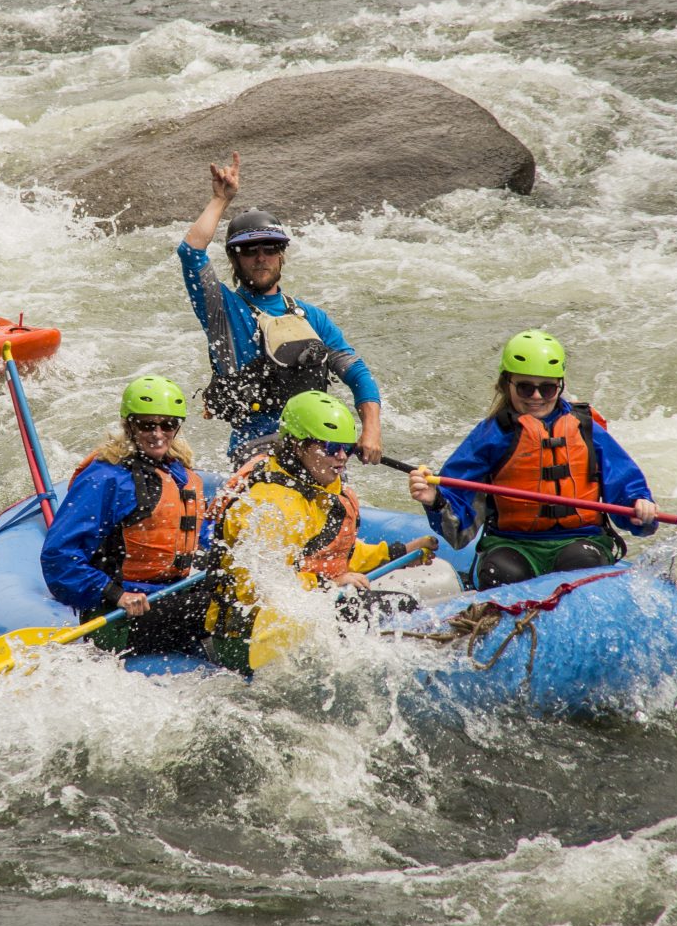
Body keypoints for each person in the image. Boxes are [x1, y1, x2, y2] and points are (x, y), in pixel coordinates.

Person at [408, 329, 659, 591]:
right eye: (526, 388)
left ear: (559, 387)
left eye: (547, 388)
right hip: (512, 544)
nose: (537, 397)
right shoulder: (491, 435)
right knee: (499, 572)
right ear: (507, 384)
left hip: (581, 540)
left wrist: (640, 507)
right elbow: (458, 520)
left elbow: (626, 489)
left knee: (581, 564)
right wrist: (435, 500)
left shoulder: (586, 429)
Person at [179, 151, 383, 465]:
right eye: (249, 250)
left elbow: (357, 374)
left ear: (281, 254)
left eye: (269, 248)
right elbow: (190, 253)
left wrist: (371, 430)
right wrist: (220, 199)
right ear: (235, 259)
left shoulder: (311, 317)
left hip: (317, 449)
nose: (260, 257)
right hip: (257, 448)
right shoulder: (222, 311)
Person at [204, 391, 433, 670]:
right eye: (330, 446)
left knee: (392, 604)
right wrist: (329, 585)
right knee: (399, 606)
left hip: (299, 612)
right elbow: (260, 587)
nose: (341, 457)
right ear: (298, 445)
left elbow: (334, 552)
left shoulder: (317, 487)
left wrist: (398, 552)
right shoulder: (269, 506)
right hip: (246, 639)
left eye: (346, 448)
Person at [38, 375, 215, 658]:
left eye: (167, 425)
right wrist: (115, 594)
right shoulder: (107, 479)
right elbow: (59, 556)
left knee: (238, 588)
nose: (158, 434)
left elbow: (200, 533)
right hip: (120, 615)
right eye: (147, 424)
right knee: (226, 606)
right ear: (129, 425)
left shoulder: (179, 474)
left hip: (170, 594)